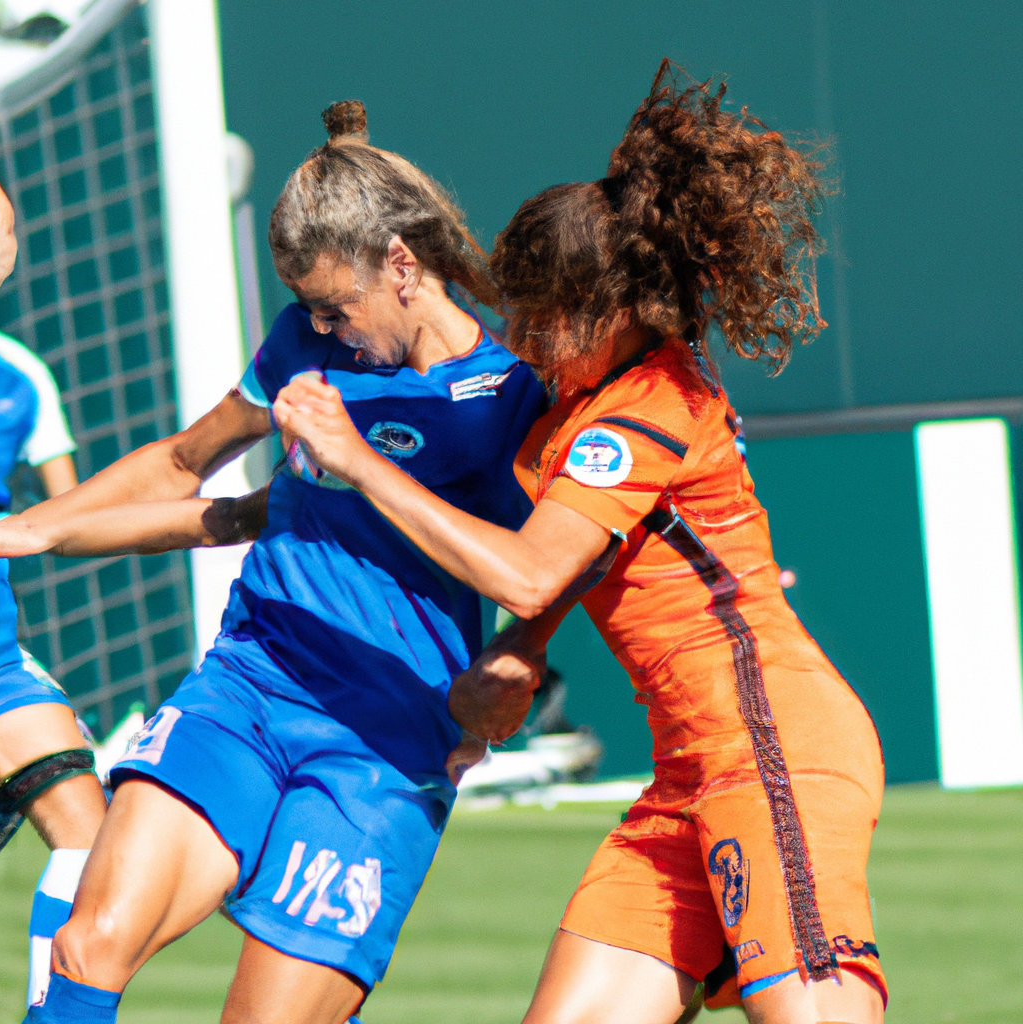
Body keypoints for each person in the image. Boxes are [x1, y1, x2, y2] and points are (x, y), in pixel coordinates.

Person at [272, 65, 887, 1024]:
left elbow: (528, 569)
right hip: (687, 775)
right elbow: (583, 566)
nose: (522, 339)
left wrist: (354, 457)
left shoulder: (647, 403)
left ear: (619, 310)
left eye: (545, 318)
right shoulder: (581, 401)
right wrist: (518, 655)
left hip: (772, 750)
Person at [0, 101, 545, 1024]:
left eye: (338, 306)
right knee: (88, 941)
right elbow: (184, 462)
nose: (322, 329)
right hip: (247, 689)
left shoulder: (505, 392)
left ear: (402, 267)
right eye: (308, 309)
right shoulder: (304, 342)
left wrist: (520, 654)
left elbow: (546, 565)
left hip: (383, 741)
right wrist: (33, 529)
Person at [0, 182, 107, 1009]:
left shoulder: (21, 376)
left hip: (2, 662)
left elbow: (63, 509)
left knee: (89, 834)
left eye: (5, 233)